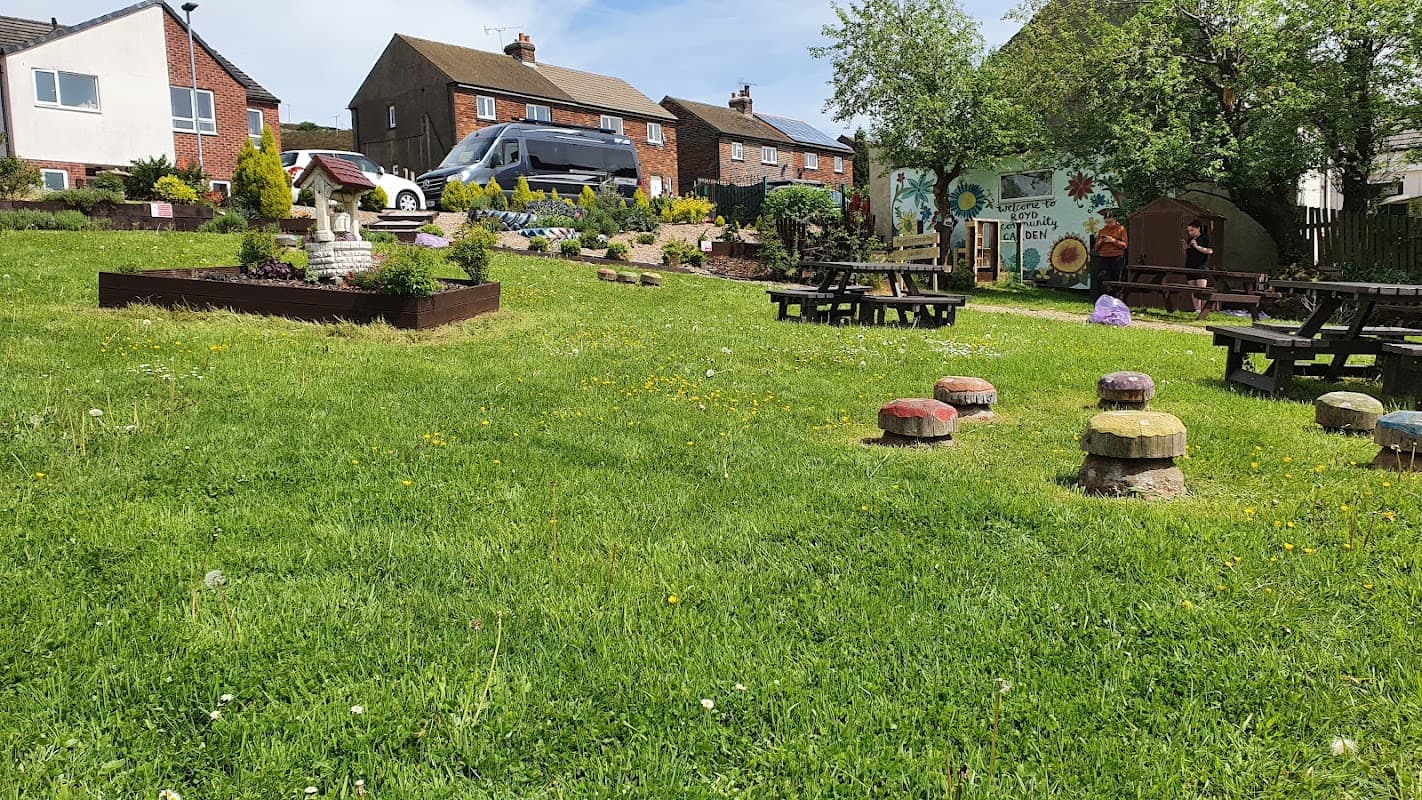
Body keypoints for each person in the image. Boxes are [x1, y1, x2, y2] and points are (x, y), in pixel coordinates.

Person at [1092, 208, 1128, 299]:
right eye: (1106, 222)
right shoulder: (1102, 231)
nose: (1108, 224)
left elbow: (1125, 245)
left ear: (1115, 220)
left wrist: (1113, 240)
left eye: (1110, 222)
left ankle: (1116, 299)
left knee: (1116, 279)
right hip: (1104, 257)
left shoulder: (1121, 229)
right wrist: (1100, 242)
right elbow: (1095, 248)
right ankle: (1102, 299)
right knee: (1101, 277)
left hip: (1117, 257)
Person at [1183, 219, 1214, 312]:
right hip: (1190, 266)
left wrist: (1196, 246)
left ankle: (1204, 310)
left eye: (1192, 230)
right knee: (1193, 290)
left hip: (1201, 267)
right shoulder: (1190, 240)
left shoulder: (1204, 238)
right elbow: (1189, 254)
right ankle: (1197, 309)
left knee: (1201, 290)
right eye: (1188, 231)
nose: (1190, 232)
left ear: (1198, 228)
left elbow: (1209, 251)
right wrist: (1186, 248)